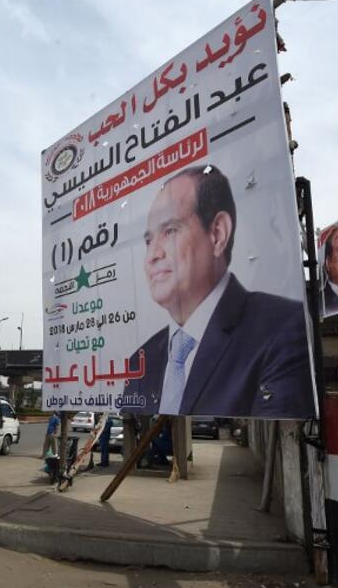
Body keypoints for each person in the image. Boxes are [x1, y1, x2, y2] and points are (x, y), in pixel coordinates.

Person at [121, 165, 315, 419]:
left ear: (217, 234)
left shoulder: (282, 330)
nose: (153, 255)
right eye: (148, 241)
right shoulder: (141, 360)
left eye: (170, 231)